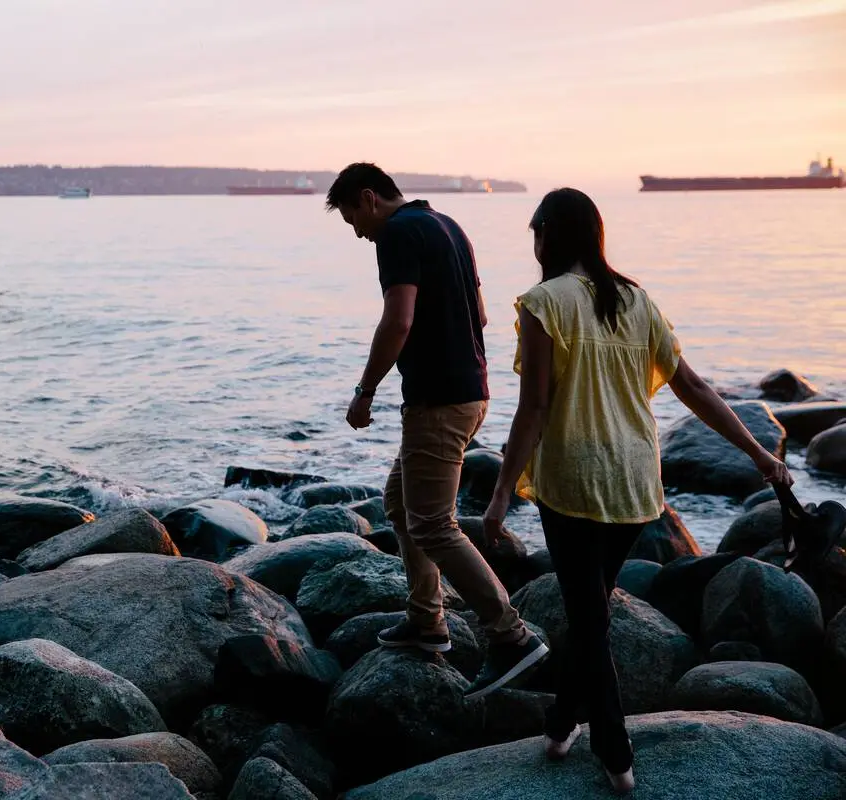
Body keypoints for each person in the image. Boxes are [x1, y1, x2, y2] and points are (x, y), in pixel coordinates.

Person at [482, 187, 793, 795]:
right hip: (633, 481)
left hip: (574, 481)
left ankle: (615, 750)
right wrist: (758, 453)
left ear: (550, 233)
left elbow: (536, 406)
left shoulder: (545, 303)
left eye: (534, 231)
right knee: (591, 609)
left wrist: (498, 495)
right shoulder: (637, 300)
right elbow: (694, 387)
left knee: (590, 617)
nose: (534, 243)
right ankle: (561, 722)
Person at [326, 162, 549, 699]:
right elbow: (481, 315)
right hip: (469, 390)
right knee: (401, 506)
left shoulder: (398, 233)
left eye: (354, 217)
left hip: (439, 399)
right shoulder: (449, 226)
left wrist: (365, 390)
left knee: (432, 524)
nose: (358, 231)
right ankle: (427, 622)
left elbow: (398, 320)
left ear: (368, 197)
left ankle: (512, 637)